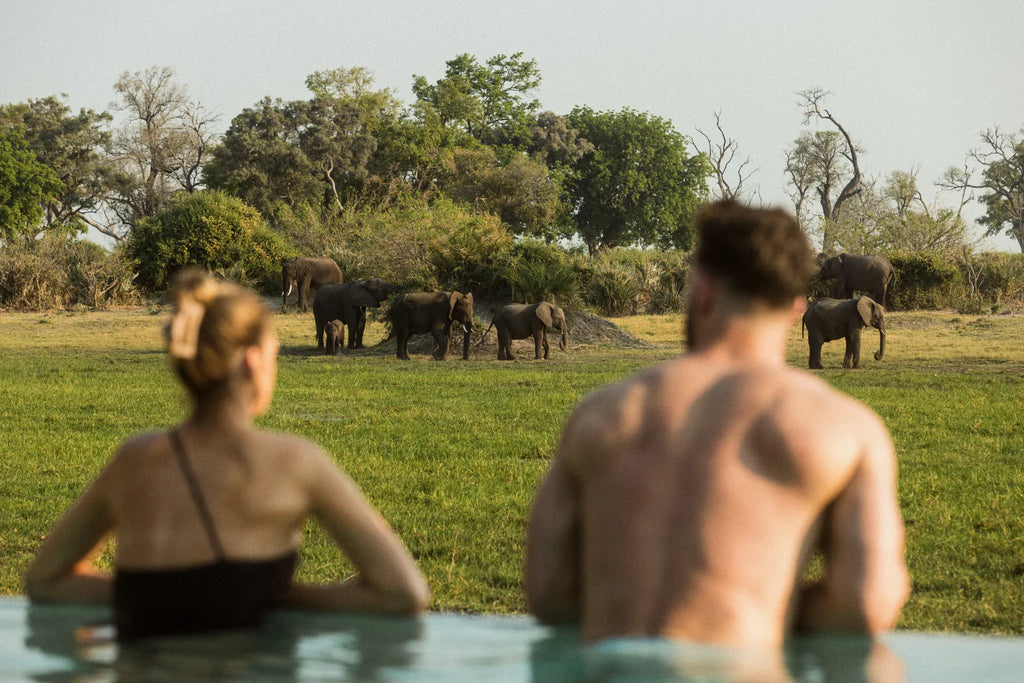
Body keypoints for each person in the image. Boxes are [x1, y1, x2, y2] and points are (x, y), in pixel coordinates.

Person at [525, 200, 910, 647]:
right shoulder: (844, 429)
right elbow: (865, 603)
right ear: (796, 306)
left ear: (702, 291)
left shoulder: (602, 413)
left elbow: (548, 591)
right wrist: (762, 605)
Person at [25, 270, 430, 642]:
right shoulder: (296, 462)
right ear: (253, 361)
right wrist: (279, 598)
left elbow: (45, 581)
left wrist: (155, 597)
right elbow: (402, 592)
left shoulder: (133, 460)